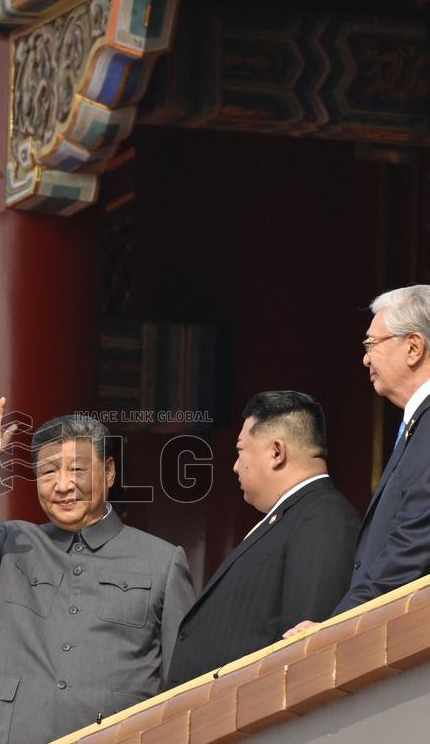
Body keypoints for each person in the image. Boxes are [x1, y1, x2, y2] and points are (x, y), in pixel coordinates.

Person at [0, 390, 195, 744]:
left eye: (76, 470)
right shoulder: (14, 545)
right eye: (48, 471)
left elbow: (184, 673)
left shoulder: (162, 561)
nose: (61, 484)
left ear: (108, 473)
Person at [166, 391, 360, 687]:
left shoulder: (323, 516)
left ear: (276, 452)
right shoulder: (291, 515)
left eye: (241, 450)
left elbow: (303, 646)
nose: (235, 466)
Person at [285, 284, 430, 637]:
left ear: (413, 347)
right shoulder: (417, 425)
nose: (365, 358)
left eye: (371, 344)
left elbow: (412, 547)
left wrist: (336, 629)